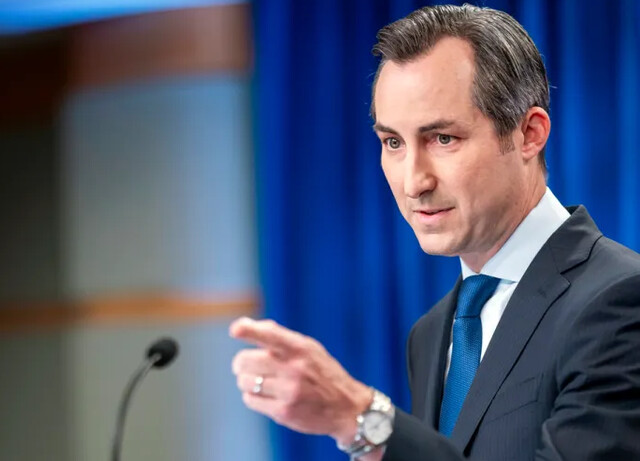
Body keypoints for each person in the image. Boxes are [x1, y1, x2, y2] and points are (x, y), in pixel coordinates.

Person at [230, 4, 640, 460]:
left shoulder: (621, 301)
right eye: (393, 142)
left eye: (443, 139)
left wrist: (362, 419)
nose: (413, 182)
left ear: (529, 134)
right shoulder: (430, 333)